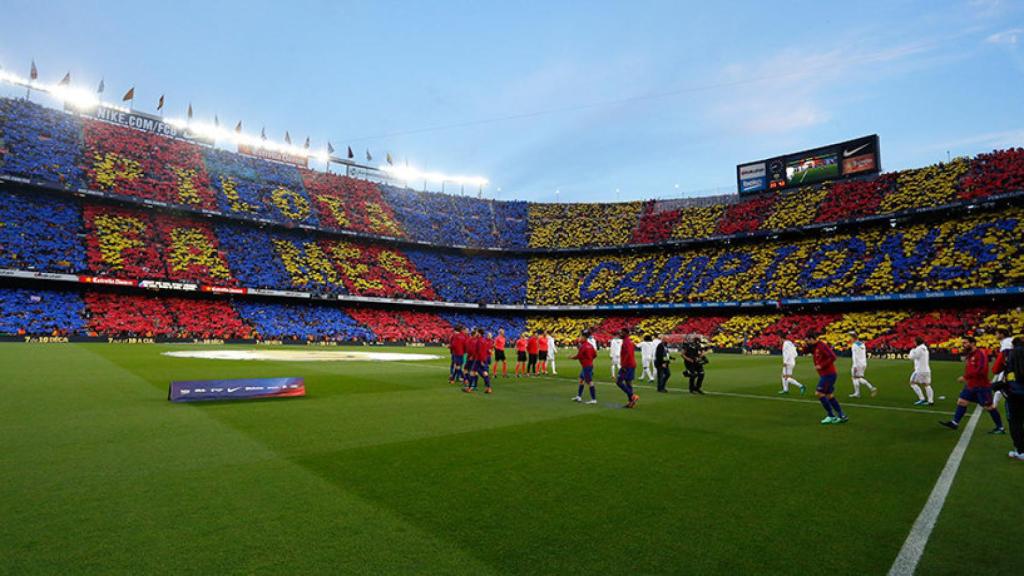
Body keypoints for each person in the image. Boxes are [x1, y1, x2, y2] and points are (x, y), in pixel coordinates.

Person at [940, 335, 1005, 434]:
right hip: (971, 385)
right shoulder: (970, 354)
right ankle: (955, 423)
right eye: (963, 343)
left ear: (972, 343)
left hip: (981, 386)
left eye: (965, 343)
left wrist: (966, 377)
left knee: (989, 407)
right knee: (962, 401)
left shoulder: (980, 353)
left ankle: (1000, 427)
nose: (963, 345)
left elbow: (982, 370)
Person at [994, 337, 1024, 460]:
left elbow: (995, 369)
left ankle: (1020, 450)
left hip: (1014, 395)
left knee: (1015, 422)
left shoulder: (1008, 354)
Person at [808, 334, 847, 424]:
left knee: (819, 393)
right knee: (829, 395)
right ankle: (842, 415)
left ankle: (831, 415)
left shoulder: (821, 346)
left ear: (812, 338)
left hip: (828, 374)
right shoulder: (815, 346)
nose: (807, 342)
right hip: (826, 375)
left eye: (808, 340)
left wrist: (821, 365)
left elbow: (833, 357)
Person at [571, 330, 598, 404]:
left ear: (584, 337)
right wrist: (589, 359)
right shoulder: (590, 345)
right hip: (588, 366)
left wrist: (571, 357)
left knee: (589, 382)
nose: (580, 338)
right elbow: (595, 355)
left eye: (581, 337)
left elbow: (578, 356)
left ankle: (593, 399)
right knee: (581, 380)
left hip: (587, 366)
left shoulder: (584, 346)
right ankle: (579, 396)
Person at [615, 328, 640, 408]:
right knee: (628, 382)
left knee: (619, 382)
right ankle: (631, 402)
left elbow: (628, 354)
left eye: (622, 333)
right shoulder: (628, 342)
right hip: (631, 364)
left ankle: (632, 396)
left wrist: (624, 366)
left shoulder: (626, 342)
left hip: (628, 365)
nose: (620, 334)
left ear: (626, 333)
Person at [848, 332, 877, 398]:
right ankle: (859, 392)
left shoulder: (854, 345)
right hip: (863, 363)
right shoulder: (862, 344)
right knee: (859, 377)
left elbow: (854, 356)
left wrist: (854, 365)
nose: (850, 339)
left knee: (854, 378)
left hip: (857, 364)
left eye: (851, 338)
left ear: (853, 338)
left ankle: (869, 388)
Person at [908, 337, 935, 406]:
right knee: (927, 385)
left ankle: (922, 398)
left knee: (912, 383)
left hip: (919, 370)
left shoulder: (918, 349)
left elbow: (911, 357)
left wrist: (912, 350)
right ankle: (930, 401)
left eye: (914, 341)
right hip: (926, 370)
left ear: (917, 342)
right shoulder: (925, 348)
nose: (914, 343)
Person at [991, 327, 1013, 408]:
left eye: (997, 333)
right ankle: (994, 404)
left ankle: (994, 405)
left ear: (1002, 334)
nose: (995, 335)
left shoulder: (1006, 342)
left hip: (1010, 368)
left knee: (1001, 384)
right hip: (1012, 366)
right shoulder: (1008, 341)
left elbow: (1006, 355)